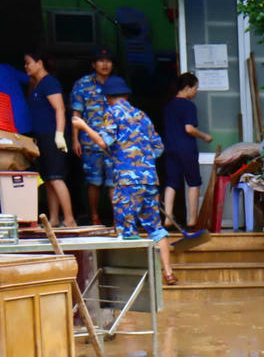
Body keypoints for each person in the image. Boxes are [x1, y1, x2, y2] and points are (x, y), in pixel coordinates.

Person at [71, 77, 177, 286]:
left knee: (127, 230)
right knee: (155, 228)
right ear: (127, 96)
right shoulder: (142, 116)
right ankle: (168, 272)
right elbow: (158, 149)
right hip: (149, 179)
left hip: (128, 183)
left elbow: (103, 141)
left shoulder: (112, 113)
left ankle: (135, 283)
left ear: (108, 98)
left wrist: (83, 126)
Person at [23, 51, 74, 227]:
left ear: (40, 63)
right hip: (41, 136)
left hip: (53, 135)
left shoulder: (50, 82)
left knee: (57, 177)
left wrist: (59, 134)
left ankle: (69, 219)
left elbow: (59, 109)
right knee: (49, 178)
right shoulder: (36, 84)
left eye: (28, 63)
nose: (26, 66)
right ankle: (53, 218)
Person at [70, 48, 115, 226]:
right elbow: (76, 114)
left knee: (114, 183)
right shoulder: (83, 84)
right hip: (90, 142)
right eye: (100, 61)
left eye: (108, 61)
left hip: (113, 143)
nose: (105, 64)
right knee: (93, 182)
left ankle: (116, 221)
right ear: (93, 64)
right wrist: (74, 139)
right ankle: (95, 217)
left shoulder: (117, 84)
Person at [162, 72, 211, 228]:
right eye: (195, 88)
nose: (196, 92)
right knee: (194, 182)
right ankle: (192, 220)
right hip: (186, 149)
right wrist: (204, 136)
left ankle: (168, 218)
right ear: (188, 88)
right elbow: (189, 129)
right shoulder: (188, 106)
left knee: (171, 183)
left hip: (169, 148)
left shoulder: (168, 106)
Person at [0, 61, 31, 134]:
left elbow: (31, 80)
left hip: (7, 123)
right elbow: (31, 80)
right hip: (22, 121)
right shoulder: (7, 68)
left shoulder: (6, 68)